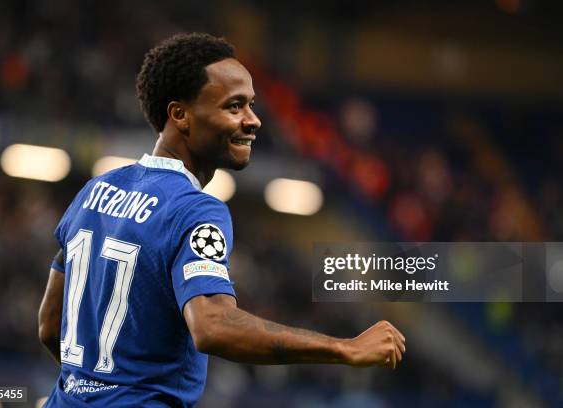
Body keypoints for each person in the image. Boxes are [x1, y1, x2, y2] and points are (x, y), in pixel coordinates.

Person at [38, 32, 406, 407]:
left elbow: (50, 325)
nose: (254, 120)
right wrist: (343, 348)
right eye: (234, 107)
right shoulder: (194, 209)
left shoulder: (95, 191)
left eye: (251, 105)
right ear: (180, 115)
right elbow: (213, 326)